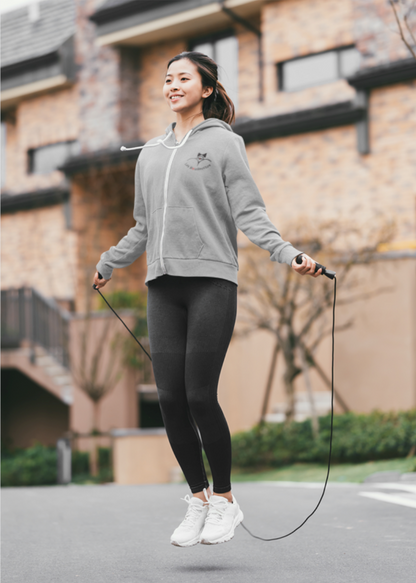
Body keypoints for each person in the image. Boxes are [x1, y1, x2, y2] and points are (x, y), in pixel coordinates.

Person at [93, 51, 322, 547]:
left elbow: (249, 211)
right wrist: (109, 262)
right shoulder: (149, 152)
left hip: (212, 283)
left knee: (199, 393)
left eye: (183, 78)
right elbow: (143, 225)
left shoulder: (224, 144)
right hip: (162, 285)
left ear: (207, 88)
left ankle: (225, 499)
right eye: (167, 79)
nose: (172, 86)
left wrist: (288, 254)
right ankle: (196, 499)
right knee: (170, 398)